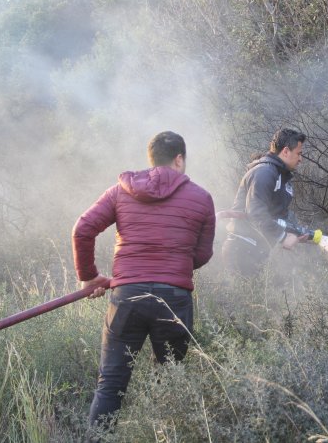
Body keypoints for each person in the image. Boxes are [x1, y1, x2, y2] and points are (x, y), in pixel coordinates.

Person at [72, 131, 216, 435]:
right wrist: (172, 265)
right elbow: (201, 255)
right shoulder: (202, 198)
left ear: (151, 160)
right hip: (174, 300)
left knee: (110, 385)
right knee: (169, 385)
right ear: (179, 159)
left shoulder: (119, 192)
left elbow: (83, 230)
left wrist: (88, 276)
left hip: (127, 297)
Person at [220, 128, 308, 277]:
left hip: (257, 251)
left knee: (261, 298)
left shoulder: (281, 178)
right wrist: (282, 237)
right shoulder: (265, 172)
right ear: (286, 151)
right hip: (242, 249)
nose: (301, 159)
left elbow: (279, 216)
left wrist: (297, 232)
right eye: (298, 153)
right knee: (248, 298)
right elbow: (256, 211)